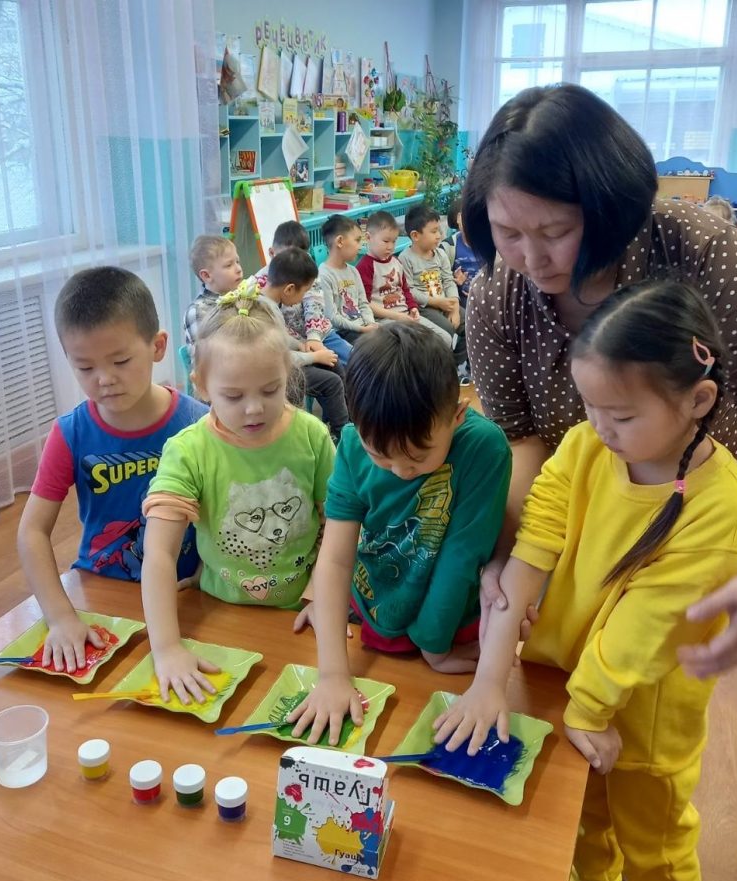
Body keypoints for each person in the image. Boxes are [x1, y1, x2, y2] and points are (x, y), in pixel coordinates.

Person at [436, 280, 737, 881]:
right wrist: (491, 679)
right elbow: (533, 548)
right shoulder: (585, 448)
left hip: (643, 717)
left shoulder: (721, 503)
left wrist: (588, 708)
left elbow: (647, 625)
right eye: (589, 407)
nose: (599, 427)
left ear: (698, 401)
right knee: (581, 823)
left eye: (622, 414)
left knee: (656, 851)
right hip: (573, 693)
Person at [462, 83, 737, 677]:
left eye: (556, 232)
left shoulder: (699, 249)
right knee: (567, 670)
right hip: (580, 516)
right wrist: (505, 558)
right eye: (508, 233)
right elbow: (520, 439)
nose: (532, 260)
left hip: (699, 515)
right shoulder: (496, 294)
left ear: (608, 211)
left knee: (648, 681)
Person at [287, 322, 511, 745]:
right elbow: (336, 557)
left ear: (457, 414)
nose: (401, 471)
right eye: (381, 457)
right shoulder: (352, 445)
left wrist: (434, 645)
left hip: (449, 622)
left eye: (418, 458)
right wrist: (332, 673)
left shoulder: (484, 447)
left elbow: (462, 556)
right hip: (377, 611)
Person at [141, 282, 336, 703]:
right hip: (220, 611)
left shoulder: (312, 436)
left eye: (270, 390)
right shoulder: (188, 450)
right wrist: (167, 648)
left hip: (303, 614)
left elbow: (339, 528)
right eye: (233, 395)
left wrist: (321, 597)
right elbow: (158, 554)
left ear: (289, 374)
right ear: (201, 385)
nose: (254, 408)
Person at [18, 266, 208, 671]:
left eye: (121, 360)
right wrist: (60, 617)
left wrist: (210, 570)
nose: (104, 379)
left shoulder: (199, 424)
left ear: (158, 346)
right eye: (85, 368)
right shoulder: (70, 433)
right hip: (100, 588)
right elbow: (32, 532)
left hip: (184, 593)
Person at [258, 249, 349, 444]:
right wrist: (314, 357)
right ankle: (341, 435)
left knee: (332, 362)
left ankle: (345, 420)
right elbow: (278, 358)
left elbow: (280, 337)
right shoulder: (265, 312)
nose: (304, 297)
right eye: (304, 291)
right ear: (289, 289)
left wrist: (299, 344)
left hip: (287, 360)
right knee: (331, 383)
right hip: (276, 372)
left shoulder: (268, 302)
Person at [254, 220, 352, 366]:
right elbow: (273, 326)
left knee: (356, 359)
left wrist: (314, 337)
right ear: (272, 253)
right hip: (293, 344)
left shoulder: (306, 270)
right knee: (330, 369)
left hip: (320, 333)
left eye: (302, 256)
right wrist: (302, 345)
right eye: (289, 256)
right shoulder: (258, 284)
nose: (296, 263)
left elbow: (314, 303)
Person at [356, 210, 453, 347]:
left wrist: (413, 308)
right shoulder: (365, 266)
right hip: (384, 320)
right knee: (418, 346)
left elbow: (406, 290)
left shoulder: (396, 262)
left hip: (406, 315)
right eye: (385, 241)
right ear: (368, 237)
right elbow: (365, 304)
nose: (390, 246)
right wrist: (397, 316)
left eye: (394, 241)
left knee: (445, 339)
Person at [399, 204, 470, 384]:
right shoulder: (405, 258)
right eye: (433, 231)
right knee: (447, 329)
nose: (439, 235)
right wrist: (437, 302)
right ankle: (444, 372)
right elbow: (409, 290)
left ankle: (458, 367)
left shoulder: (440, 254)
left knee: (469, 323)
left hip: (446, 303)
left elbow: (448, 281)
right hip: (425, 308)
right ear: (415, 235)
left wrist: (454, 306)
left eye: (439, 230)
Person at [318, 215, 376, 343]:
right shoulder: (323, 275)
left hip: (362, 327)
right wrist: (362, 329)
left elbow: (363, 304)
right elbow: (332, 317)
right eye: (357, 240)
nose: (360, 246)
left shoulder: (353, 271)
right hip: (342, 332)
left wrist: (371, 324)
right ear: (340, 241)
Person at [182, 235, 243, 354]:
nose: (238, 269)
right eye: (229, 265)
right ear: (206, 275)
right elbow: (208, 355)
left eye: (237, 262)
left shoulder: (241, 297)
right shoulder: (198, 311)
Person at [442, 198, 484, 308]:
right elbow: (442, 277)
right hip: (462, 298)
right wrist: (455, 281)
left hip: (487, 294)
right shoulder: (448, 246)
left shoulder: (490, 244)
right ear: (458, 219)